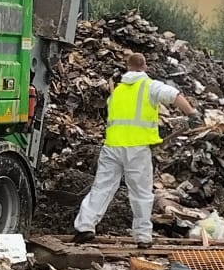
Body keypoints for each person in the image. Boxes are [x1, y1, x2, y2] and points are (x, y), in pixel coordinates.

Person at [74, 51, 194, 244]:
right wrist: (192, 113)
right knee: (141, 193)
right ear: (145, 67)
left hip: (112, 146)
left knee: (102, 188)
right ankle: (143, 236)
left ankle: (85, 226)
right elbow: (174, 95)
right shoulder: (149, 86)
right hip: (137, 149)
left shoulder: (118, 91)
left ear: (127, 67)